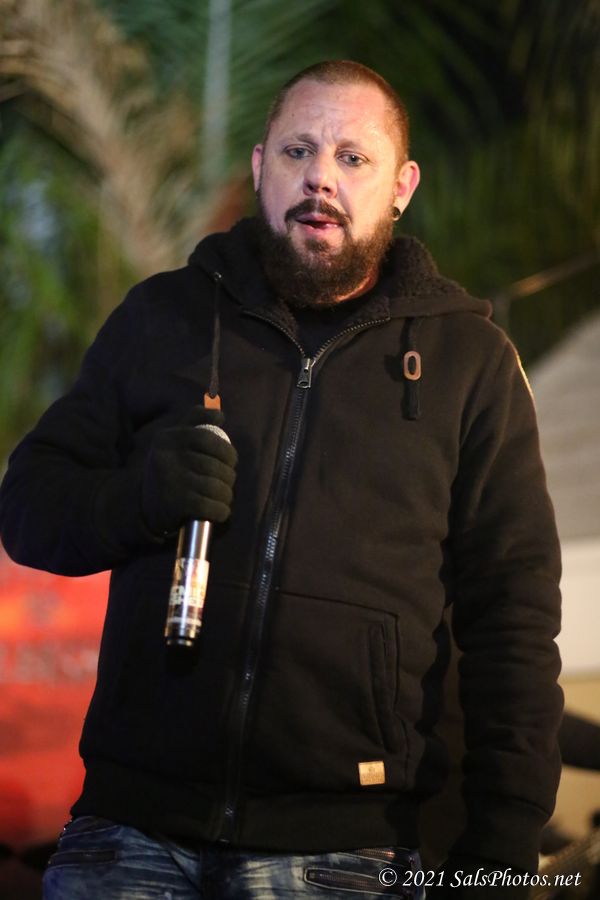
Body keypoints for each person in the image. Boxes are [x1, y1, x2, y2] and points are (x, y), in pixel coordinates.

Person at [0, 60, 563, 899]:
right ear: (262, 168)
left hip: (350, 853)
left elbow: (513, 616)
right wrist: (139, 497)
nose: (320, 178)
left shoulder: (469, 364)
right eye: (299, 151)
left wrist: (502, 850)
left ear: (402, 187)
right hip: (130, 830)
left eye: (352, 157)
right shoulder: (164, 317)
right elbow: (27, 507)